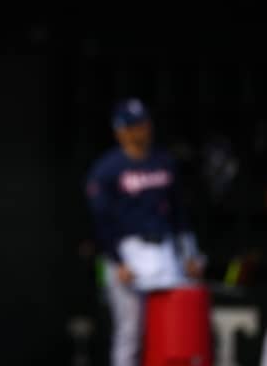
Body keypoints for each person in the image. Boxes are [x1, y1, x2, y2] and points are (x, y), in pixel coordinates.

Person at [84, 98, 206, 366]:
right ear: (121, 130)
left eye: (144, 123)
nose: (142, 130)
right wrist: (117, 260)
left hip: (163, 251)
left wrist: (190, 254)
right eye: (135, 125)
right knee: (130, 331)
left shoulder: (163, 161)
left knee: (172, 323)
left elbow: (179, 214)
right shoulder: (107, 169)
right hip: (128, 251)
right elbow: (102, 220)